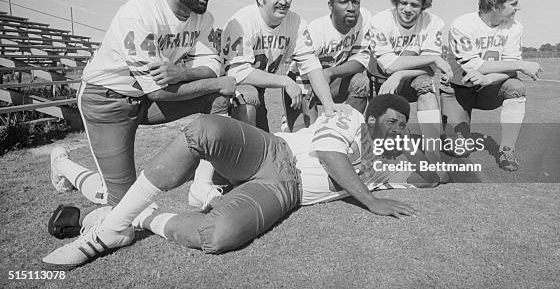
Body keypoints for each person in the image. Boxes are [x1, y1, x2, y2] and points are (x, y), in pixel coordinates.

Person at [42, 95, 420, 269]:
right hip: (274, 152)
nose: (397, 131)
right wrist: (370, 200)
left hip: (287, 190)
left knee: (219, 235)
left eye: (402, 127)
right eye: (392, 122)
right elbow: (332, 155)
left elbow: (433, 173)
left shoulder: (384, 163)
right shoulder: (350, 117)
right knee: (204, 129)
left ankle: (131, 217)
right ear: (371, 120)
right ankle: (111, 225)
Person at [49, 0, 236, 211]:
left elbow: (212, 64)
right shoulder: (139, 13)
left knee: (218, 100)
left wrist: (184, 73)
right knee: (124, 206)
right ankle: (63, 165)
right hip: (107, 100)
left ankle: (201, 187)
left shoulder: (203, 18)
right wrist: (216, 82)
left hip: (144, 99)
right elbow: (159, 90)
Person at [220, 0, 341, 132]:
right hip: (231, 88)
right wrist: (285, 81)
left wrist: (328, 104)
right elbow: (237, 73)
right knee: (247, 101)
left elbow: (311, 64)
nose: (283, 1)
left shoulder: (295, 22)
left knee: (264, 141)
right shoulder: (242, 21)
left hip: (260, 87)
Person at [440, 0, 542, 171]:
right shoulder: (462, 25)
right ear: (495, 4)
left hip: (489, 88)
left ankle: (507, 149)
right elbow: (474, 65)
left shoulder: (514, 27)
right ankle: (449, 133)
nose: (518, 7)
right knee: (458, 150)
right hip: (458, 89)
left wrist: (488, 79)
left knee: (516, 87)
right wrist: (522, 64)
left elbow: (509, 70)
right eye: (513, 3)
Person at [367, 0, 449, 183]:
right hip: (381, 79)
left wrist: (401, 73)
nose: (407, 9)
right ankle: (365, 149)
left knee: (426, 87)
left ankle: (434, 157)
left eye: (414, 4)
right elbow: (388, 64)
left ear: (424, 6)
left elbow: (428, 66)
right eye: (403, 2)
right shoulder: (380, 20)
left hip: (411, 77)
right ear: (396, 0)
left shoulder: (434, 22)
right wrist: (429, 59)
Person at [283, 0, 371, 131]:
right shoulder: (315, 31)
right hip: (304, 83)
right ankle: (290, 121)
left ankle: (346, 130)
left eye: (355, 2)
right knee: (310, 136)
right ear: (331, 6)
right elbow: (300, 70)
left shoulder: (364, 18)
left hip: (333, 81)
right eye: (343, 2)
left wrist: (329, 72)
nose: (351, 8)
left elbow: (360, 62)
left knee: (361, 81)